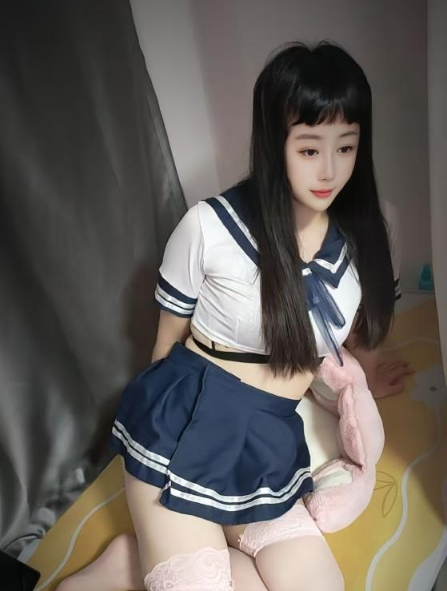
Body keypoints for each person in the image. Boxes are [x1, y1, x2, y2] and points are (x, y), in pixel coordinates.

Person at [57, 40, 413, 591]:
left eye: (346, 146)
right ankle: (140, 559)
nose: (330, 169)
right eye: (309, 149)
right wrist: (161, 453)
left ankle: (135, 564)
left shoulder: (372, 229)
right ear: (274, 143)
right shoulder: (209, 227)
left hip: (268, 440)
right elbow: (164, 349)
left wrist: (363, 377)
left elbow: (350, 328)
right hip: (186, 426)